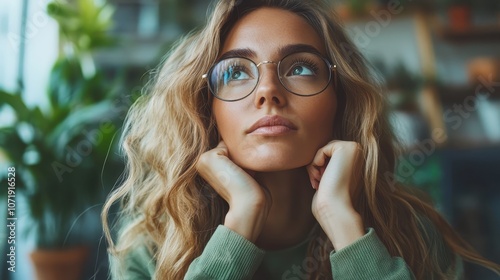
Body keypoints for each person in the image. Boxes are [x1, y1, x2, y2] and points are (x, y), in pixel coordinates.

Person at [102, 0, 500, 279]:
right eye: (237, 72)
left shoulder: (412, 233)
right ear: (209, 108)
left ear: (339, 100)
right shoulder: (150, 245)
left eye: (301, 68)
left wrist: (342, 223)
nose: (268, 92)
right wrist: (240, 223)